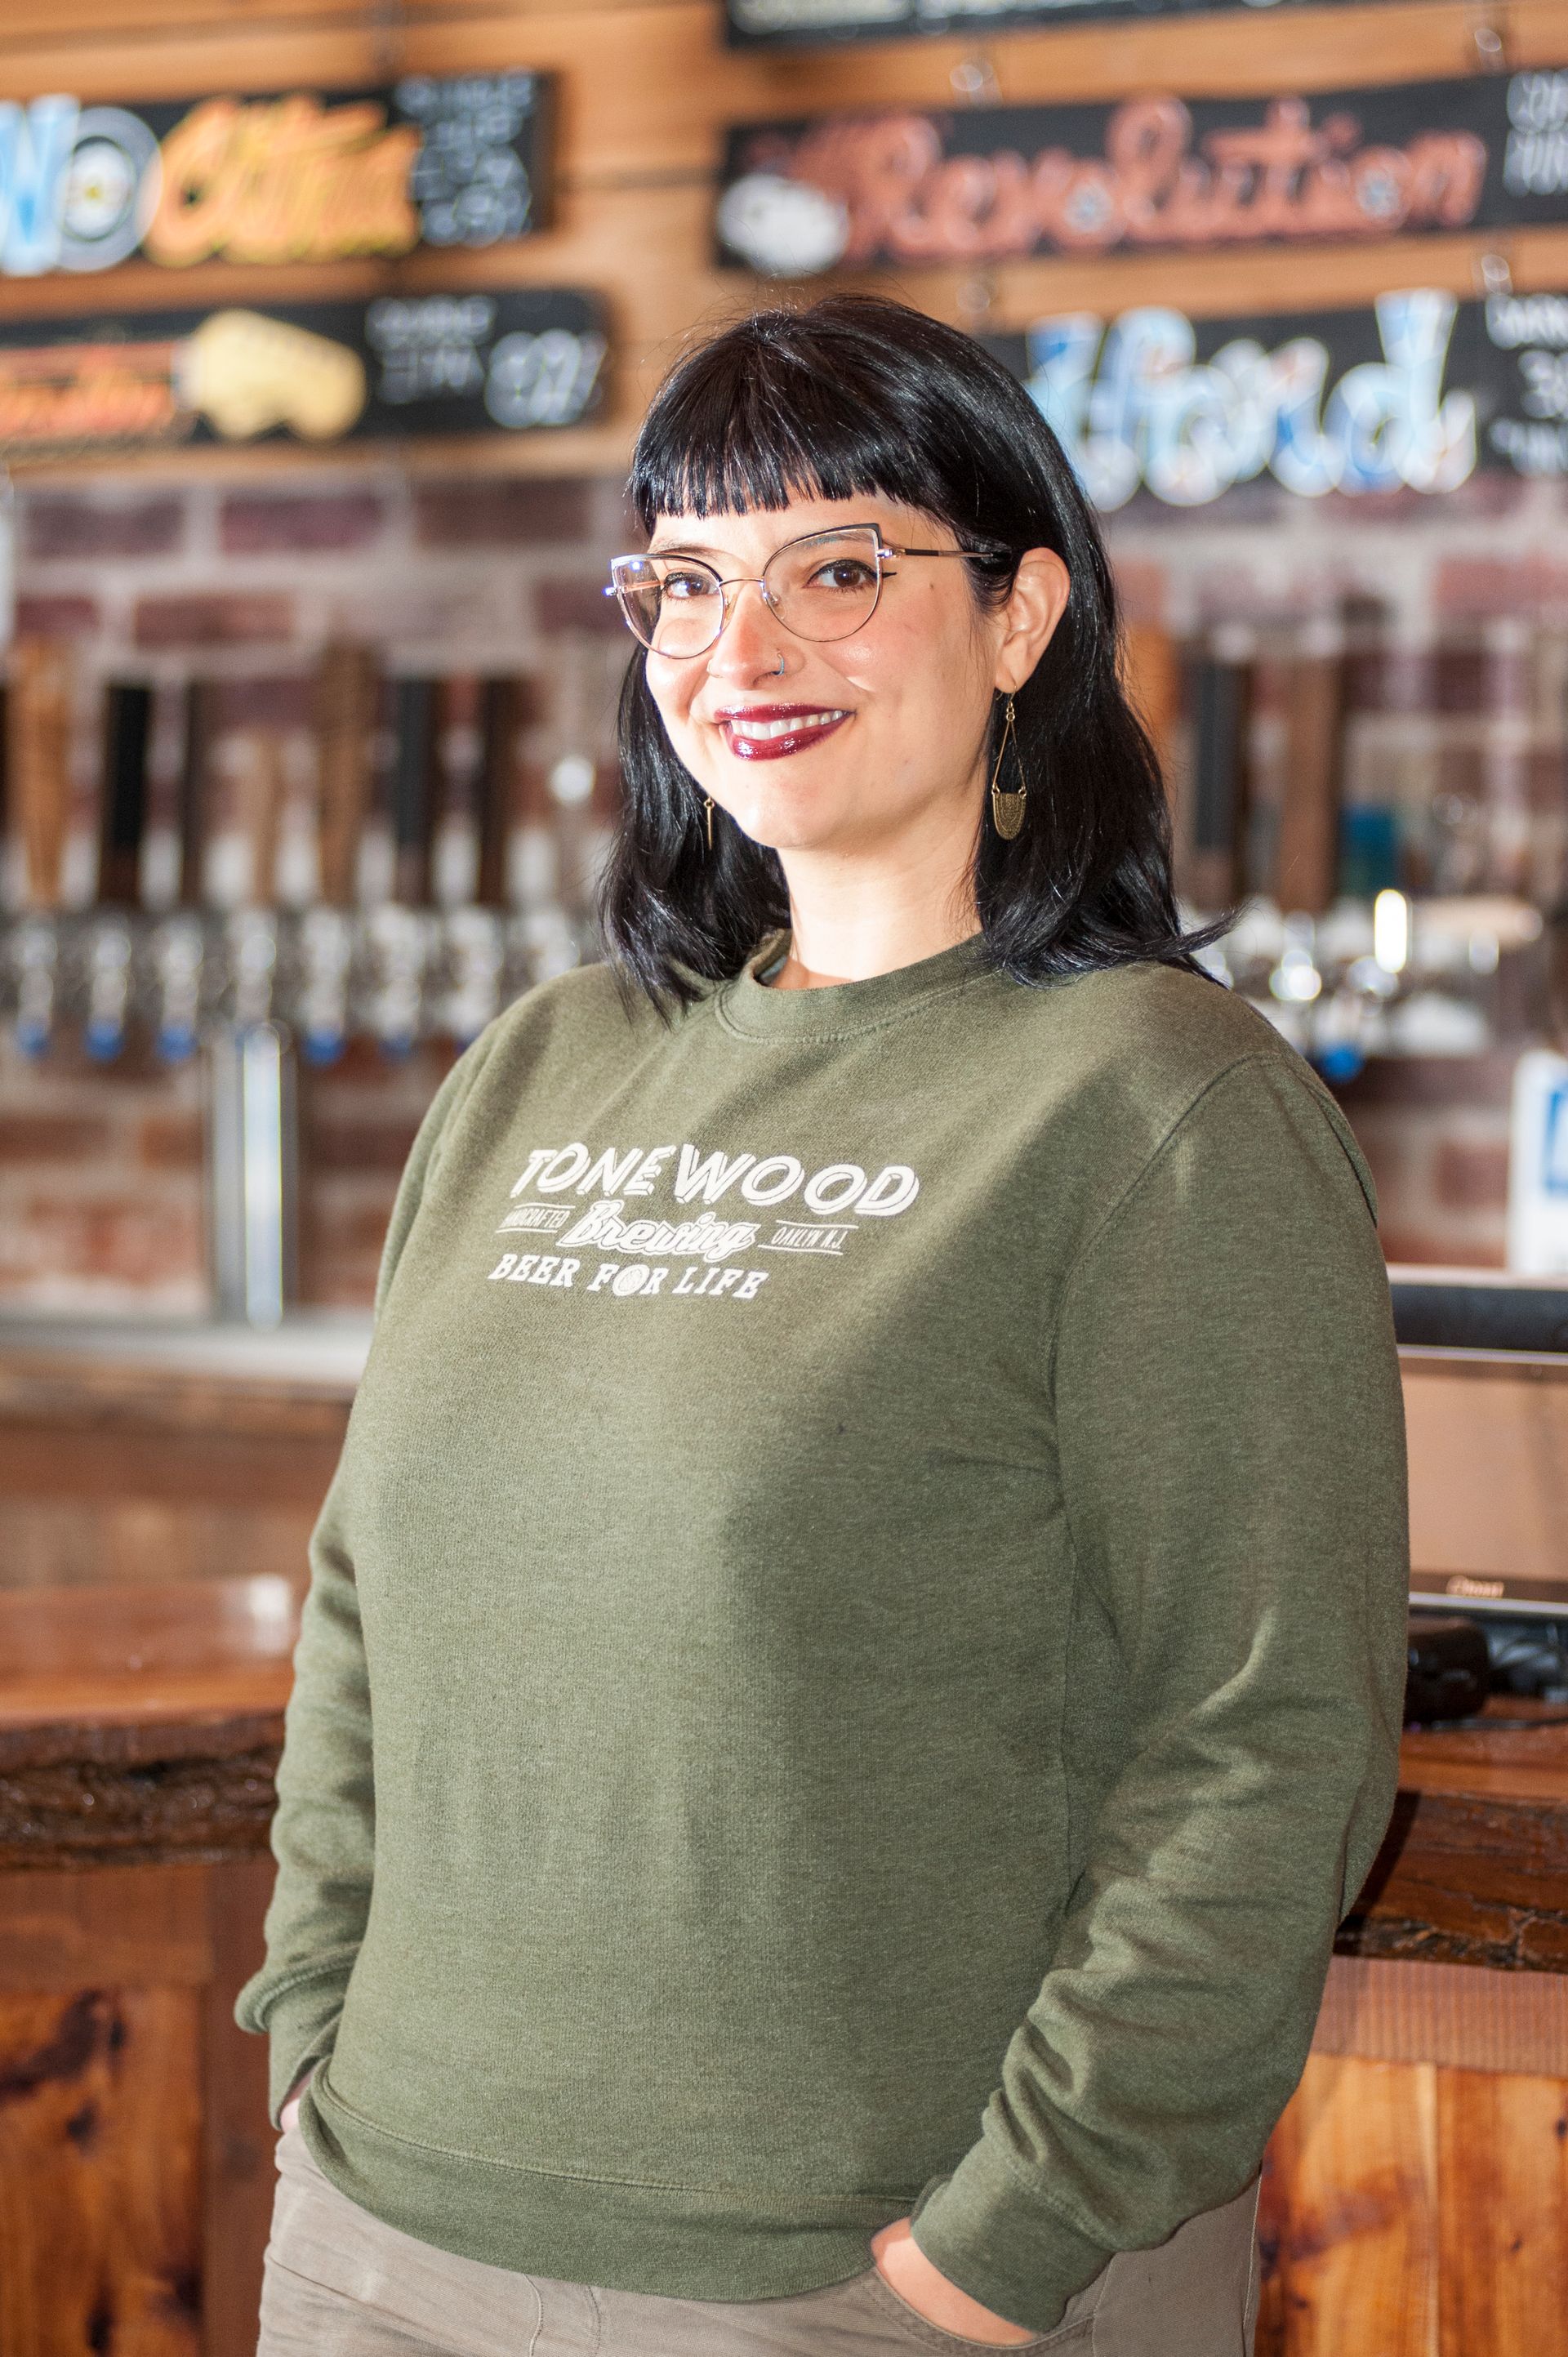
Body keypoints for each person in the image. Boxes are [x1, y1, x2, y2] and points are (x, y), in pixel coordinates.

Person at [241, 295, 1409, 2357]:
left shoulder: (1160, 1105)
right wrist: (311, 2051)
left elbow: (1267, 1735)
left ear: (1024, 612)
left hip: (868, 2282)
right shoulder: (545, 1064)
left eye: (838, 572)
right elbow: (367, 1606)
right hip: (383, 2234)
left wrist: (1006, 2240)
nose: (741, 655)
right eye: (683, 585)